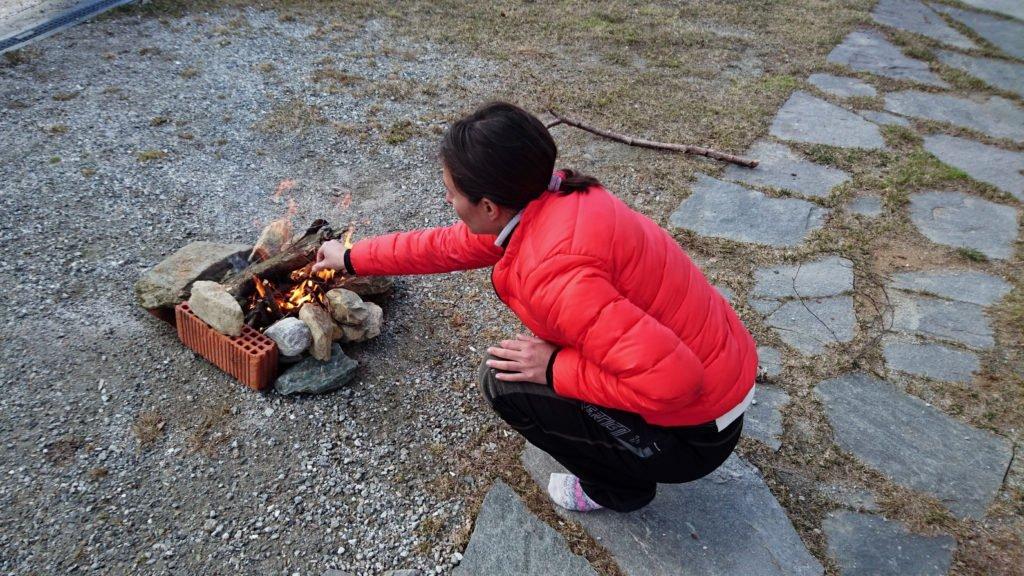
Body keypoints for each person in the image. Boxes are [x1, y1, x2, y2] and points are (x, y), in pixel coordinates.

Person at [313, 101, 757, 513]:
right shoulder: (554, 194)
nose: (448, 202)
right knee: (542, 354)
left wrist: (554, 369)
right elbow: (447, 245)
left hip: (693, 435)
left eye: (451, 193)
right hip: (723, 374)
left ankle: (620, 489)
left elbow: (675, 383)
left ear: (488, 206)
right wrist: (352, 256)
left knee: (504, 381)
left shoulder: (554, 273)